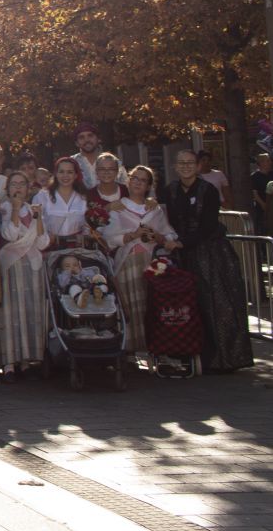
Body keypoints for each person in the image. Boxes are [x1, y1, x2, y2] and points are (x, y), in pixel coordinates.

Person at [161, 150, 252, 372]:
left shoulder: (208, 190)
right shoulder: (170, 190)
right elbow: (165, 218)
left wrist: (184, 242)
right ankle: (192, 355)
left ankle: (223, 358)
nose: (185, 167)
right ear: (175, 166)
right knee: (188, 306)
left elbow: (209, 224)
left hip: (210, 252)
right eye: (181, 163)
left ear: (198, 166)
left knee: (217, 303)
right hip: (182, 253)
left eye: (190, 163)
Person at [101, 165, 179, 355]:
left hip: (152, 264)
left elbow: (170, 235)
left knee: (152, 305)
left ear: (149, 186)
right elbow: (109, 238)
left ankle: (156, 347)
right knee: (131, 307)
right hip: (128, 262)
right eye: (134, 178)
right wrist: (133, 235)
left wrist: (158, 237)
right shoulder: (119, 207)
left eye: (143, 180)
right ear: (128, 180)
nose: (137, 182)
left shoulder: (155, 209)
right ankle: (131, 350)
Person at [0, 171, 49, 380]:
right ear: (8, 189)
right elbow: (9, 235)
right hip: (11, 266)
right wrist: (16, 210)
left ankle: (27, 359)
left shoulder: (33, 209)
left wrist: (39, 218)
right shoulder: (4, 209)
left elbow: (43, 242)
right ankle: (9, 362)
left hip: (32, 267)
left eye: (22, 184)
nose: (18, 188)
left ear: (28, 188)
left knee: (30, 311)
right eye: (14, 184)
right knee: (10, 313)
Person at [34, 157, 89, 252]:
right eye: (61, 172)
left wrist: (85, 235)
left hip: (78, 247)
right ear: (55, 174)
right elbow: (36, 222)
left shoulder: (83, 197)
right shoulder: (43, 196)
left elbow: (87, 224)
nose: (65, 176)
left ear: (76, 175)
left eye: (70, 172)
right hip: (51, 246)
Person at [72, 124, 104, 190]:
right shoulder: (71, 162)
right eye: (81, 137)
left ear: (98, 139)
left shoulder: (112, 161)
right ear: (76, 143)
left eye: (90, 135)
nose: (86, 140)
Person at [251, 152, 273, 234]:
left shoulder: (271, 174)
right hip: (262, 208)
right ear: (261, 163)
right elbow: (255, 193)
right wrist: (263, 205)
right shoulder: (255, 176)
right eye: (268, 161)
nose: (270, 162)